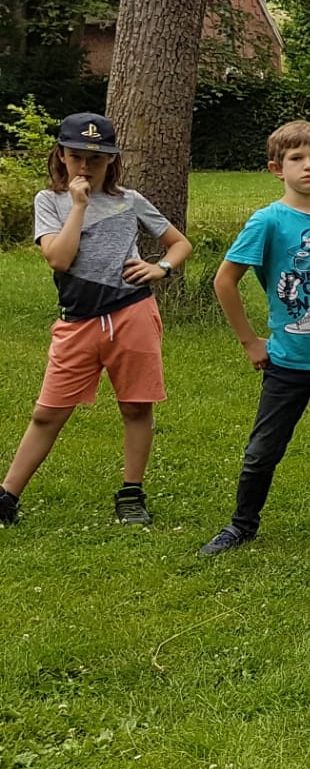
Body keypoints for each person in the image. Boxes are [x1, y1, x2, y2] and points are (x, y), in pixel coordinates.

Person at [0, 113, 190, 527]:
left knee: (136, 407)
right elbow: (59, 258)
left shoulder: (131, 200)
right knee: (47, 413)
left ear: (112, 160)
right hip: (78, 322)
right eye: (76, 157)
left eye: (96, 159)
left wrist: (161, 268)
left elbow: (178, 243)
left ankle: (131, 494)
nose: (85, 166)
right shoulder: (49, 201)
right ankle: (7, 496)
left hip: (133, 313)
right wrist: (79, 206)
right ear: (61, 156)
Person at [203, 120, 310, 563]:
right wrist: (250, 342)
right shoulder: (268, 221)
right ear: (276, 169)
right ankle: (242, 525)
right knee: (262, 451)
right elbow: (225, 281)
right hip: (288, 361)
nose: (308, 166)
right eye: (296, 158)